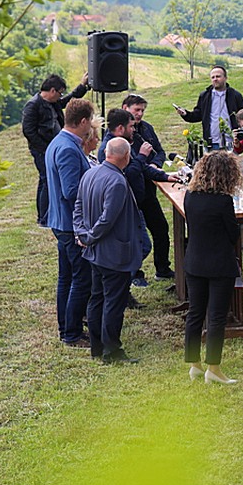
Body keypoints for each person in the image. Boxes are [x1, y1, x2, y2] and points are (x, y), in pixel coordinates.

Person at [73, 136, 145, 364]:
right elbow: (107, 219)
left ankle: (98, 346)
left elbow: (78, 207)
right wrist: (90, 236)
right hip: (113, 253)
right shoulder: (117, 182)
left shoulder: (90, 173)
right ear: (126, 156)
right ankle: (112, 351)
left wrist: (82, 234)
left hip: (95, 252)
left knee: (97, 299)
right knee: (113, 302)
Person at [183, 151, 243, 385]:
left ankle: (194, 364)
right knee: (216, 317)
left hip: (194, 262)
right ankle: (214, 369)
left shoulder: (190, 196)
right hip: (219, 264)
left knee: (195, 313)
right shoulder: (223, 201)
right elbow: (233, 234)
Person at [45, 98, 95, 347]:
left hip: (60, 221)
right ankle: (72, 333)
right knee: (81, 278)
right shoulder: (67, 148)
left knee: (66, 278)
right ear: (83, 121)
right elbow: (71, 190)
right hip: (70, 225)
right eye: (91, 122)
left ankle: (67, 328)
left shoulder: (57, 142)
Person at [22, 73, 89, 225]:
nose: (60, 96)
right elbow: (28, 131)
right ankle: (44, 217)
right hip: (42, 150)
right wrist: (46, 150)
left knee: (49, 180)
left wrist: (82, 86)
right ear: (52, 91)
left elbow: (69, 99)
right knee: (46, 180)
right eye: (59, 92)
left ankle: (47, 214)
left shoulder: (53, 103)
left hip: (53, 147)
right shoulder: (33, 105)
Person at [122, 93, 173, 281]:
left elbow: (160, 152)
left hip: (148, 188)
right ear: (125, 108)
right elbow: (132, 166)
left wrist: (155, 165)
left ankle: (163, 269)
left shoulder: (147, 129)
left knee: (160, 228)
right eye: (137, 110)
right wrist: (145, 163)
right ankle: (133, 274)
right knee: (135, 238)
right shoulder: (120, 134)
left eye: (142, 110)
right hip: (131, 193)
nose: (140, 114)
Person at [177, 64, 243, 150]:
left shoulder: (235, 95)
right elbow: (198, 115)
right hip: (211, 143)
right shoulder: (205, 96)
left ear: (225, 78)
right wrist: (185, 114)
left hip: (231, 143)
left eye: (218, 76)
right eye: (213, 77)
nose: (215, 79)